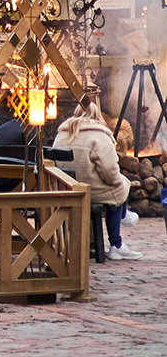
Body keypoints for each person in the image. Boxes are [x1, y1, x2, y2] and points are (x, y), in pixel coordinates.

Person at [59, 95, 134, 263]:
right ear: (96, 116)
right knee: (120, 186)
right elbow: (110, 171)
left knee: (118, 185)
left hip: (65, 189)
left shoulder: (62, 134)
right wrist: (117, 181)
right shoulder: (99, 136)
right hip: (89, 191)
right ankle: (116, 245)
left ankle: (124, 215)